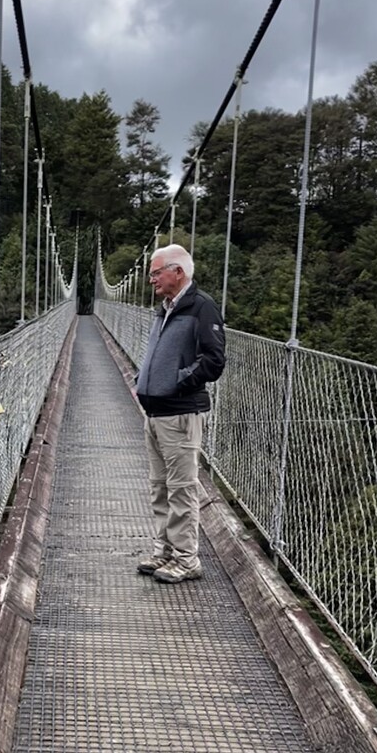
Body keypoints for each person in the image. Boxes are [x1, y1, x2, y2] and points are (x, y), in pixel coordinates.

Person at [135, 244, 226, 583]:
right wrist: (141, 380)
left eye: (156, 272)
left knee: (182, 490)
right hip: (155, 413)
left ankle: (187, 560)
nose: (151, 279)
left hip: (181, 414)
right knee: (159, 487)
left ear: (178, 272)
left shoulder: (202, 308)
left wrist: (175, 383)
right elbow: (159, 354)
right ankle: (165, 552)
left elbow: (214, 361)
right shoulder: (165, 308)